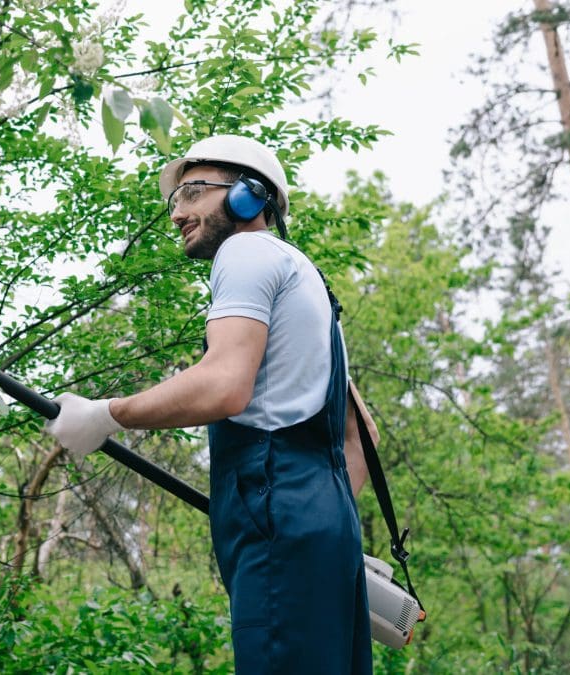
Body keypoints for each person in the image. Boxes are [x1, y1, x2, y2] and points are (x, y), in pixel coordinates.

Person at [44, 135, 373, 674]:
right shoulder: (312, 286)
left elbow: (224, 384)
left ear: (249, 196)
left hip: (280, 522)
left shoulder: (245, 252)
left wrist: (106, 414)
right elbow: (361, 440)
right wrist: (322, 533)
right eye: (175, 200)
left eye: (193, 192)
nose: (178, 213)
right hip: (325, 528)